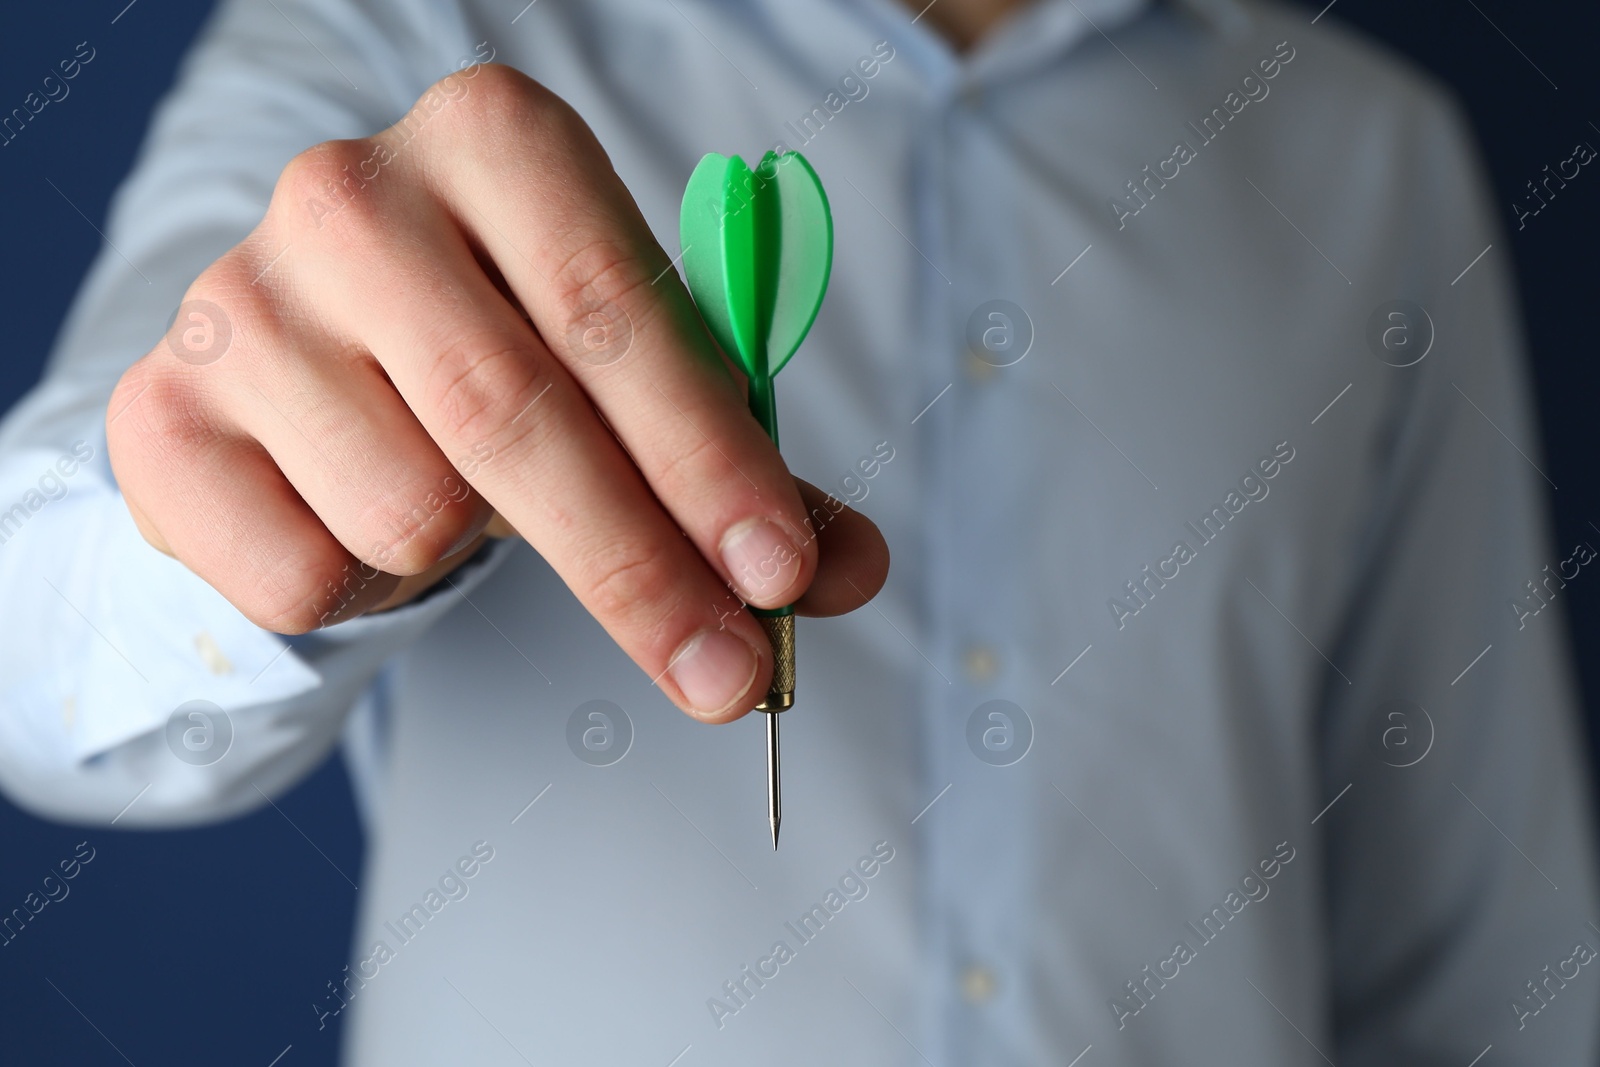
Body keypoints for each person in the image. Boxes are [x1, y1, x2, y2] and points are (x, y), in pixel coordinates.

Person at [1, 0, 1595, 1061]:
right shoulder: (393, 29)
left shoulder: (1369, 151)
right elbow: (37, 654)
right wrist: (239, 503)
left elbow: (1481, 939)